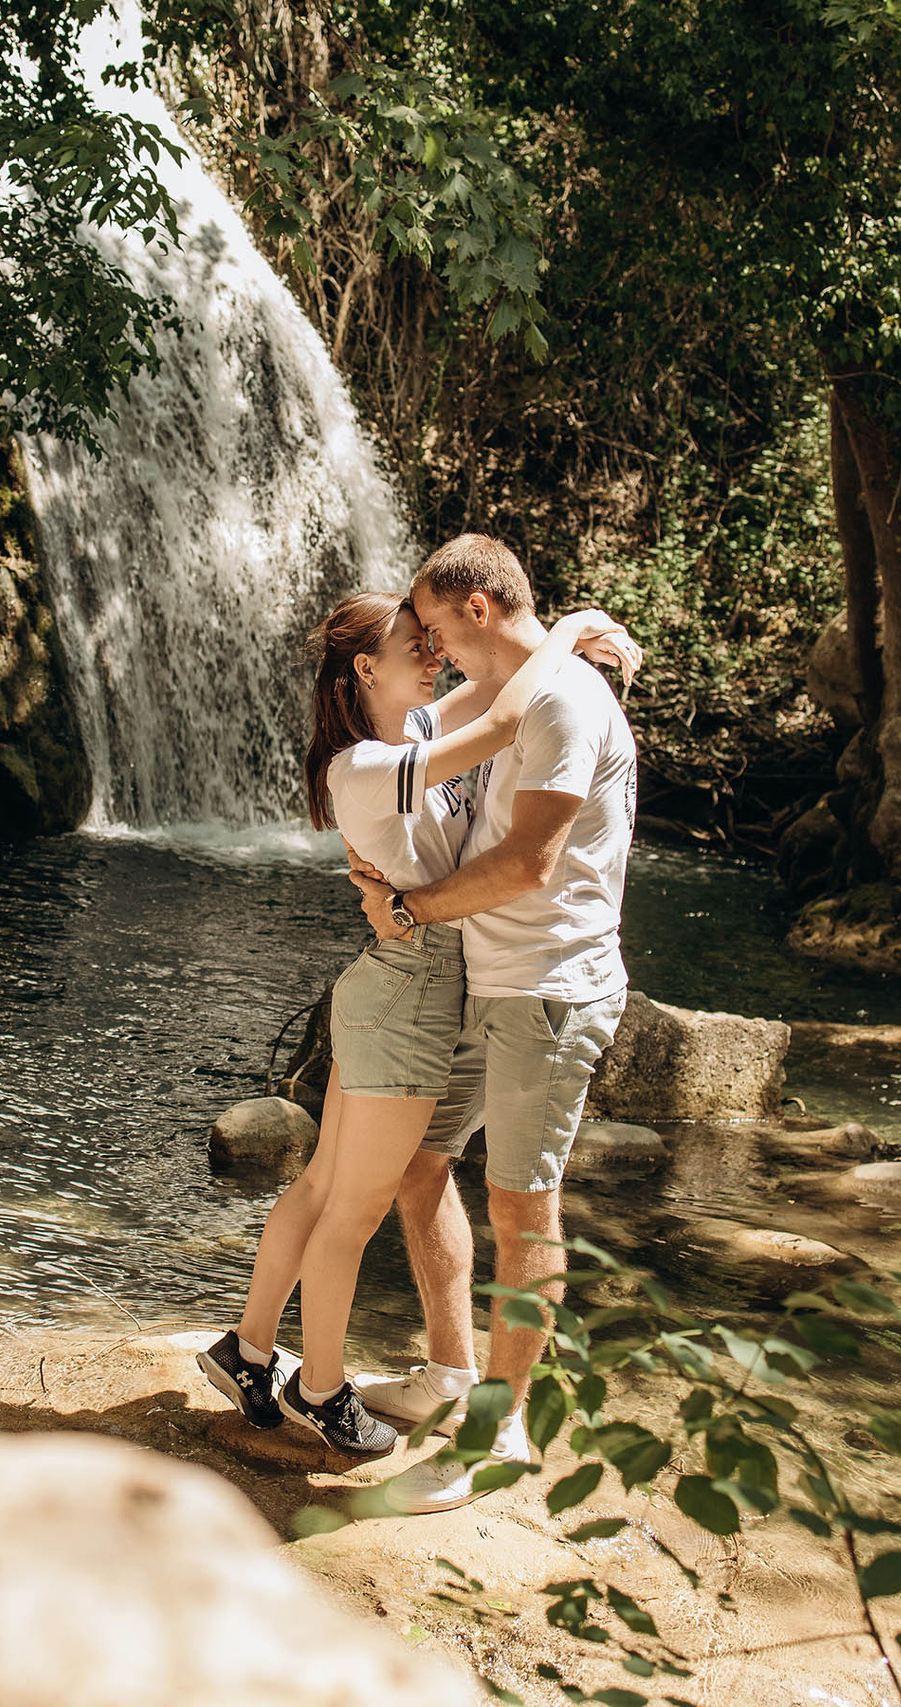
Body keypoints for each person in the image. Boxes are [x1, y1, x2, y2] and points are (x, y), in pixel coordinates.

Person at [196, 589, 634, 1456]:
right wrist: (572, 634)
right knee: (351, 1210)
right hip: (409, 988)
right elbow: (508, 716)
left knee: (322, 1186)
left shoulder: (412, 736)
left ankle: (247, 1351)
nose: (434, 652)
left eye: (434, 640)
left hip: (410, 982)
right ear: (366, 667)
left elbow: (495, 682)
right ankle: (319, 1392)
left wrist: (550, 640)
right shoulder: (362, 765)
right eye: (412, 642)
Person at [345, 533, 640, 1514]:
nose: (428, 649)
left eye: (433, 627)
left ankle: (502, 1427)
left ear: (475, 609)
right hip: (485, 975)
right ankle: (450, 1372)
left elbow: (526, 866)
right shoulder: (515, 689)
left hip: (547, 991)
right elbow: (420, 736)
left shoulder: (560, 702)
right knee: (418, 1166)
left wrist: (407, 913)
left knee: (522, 1207)